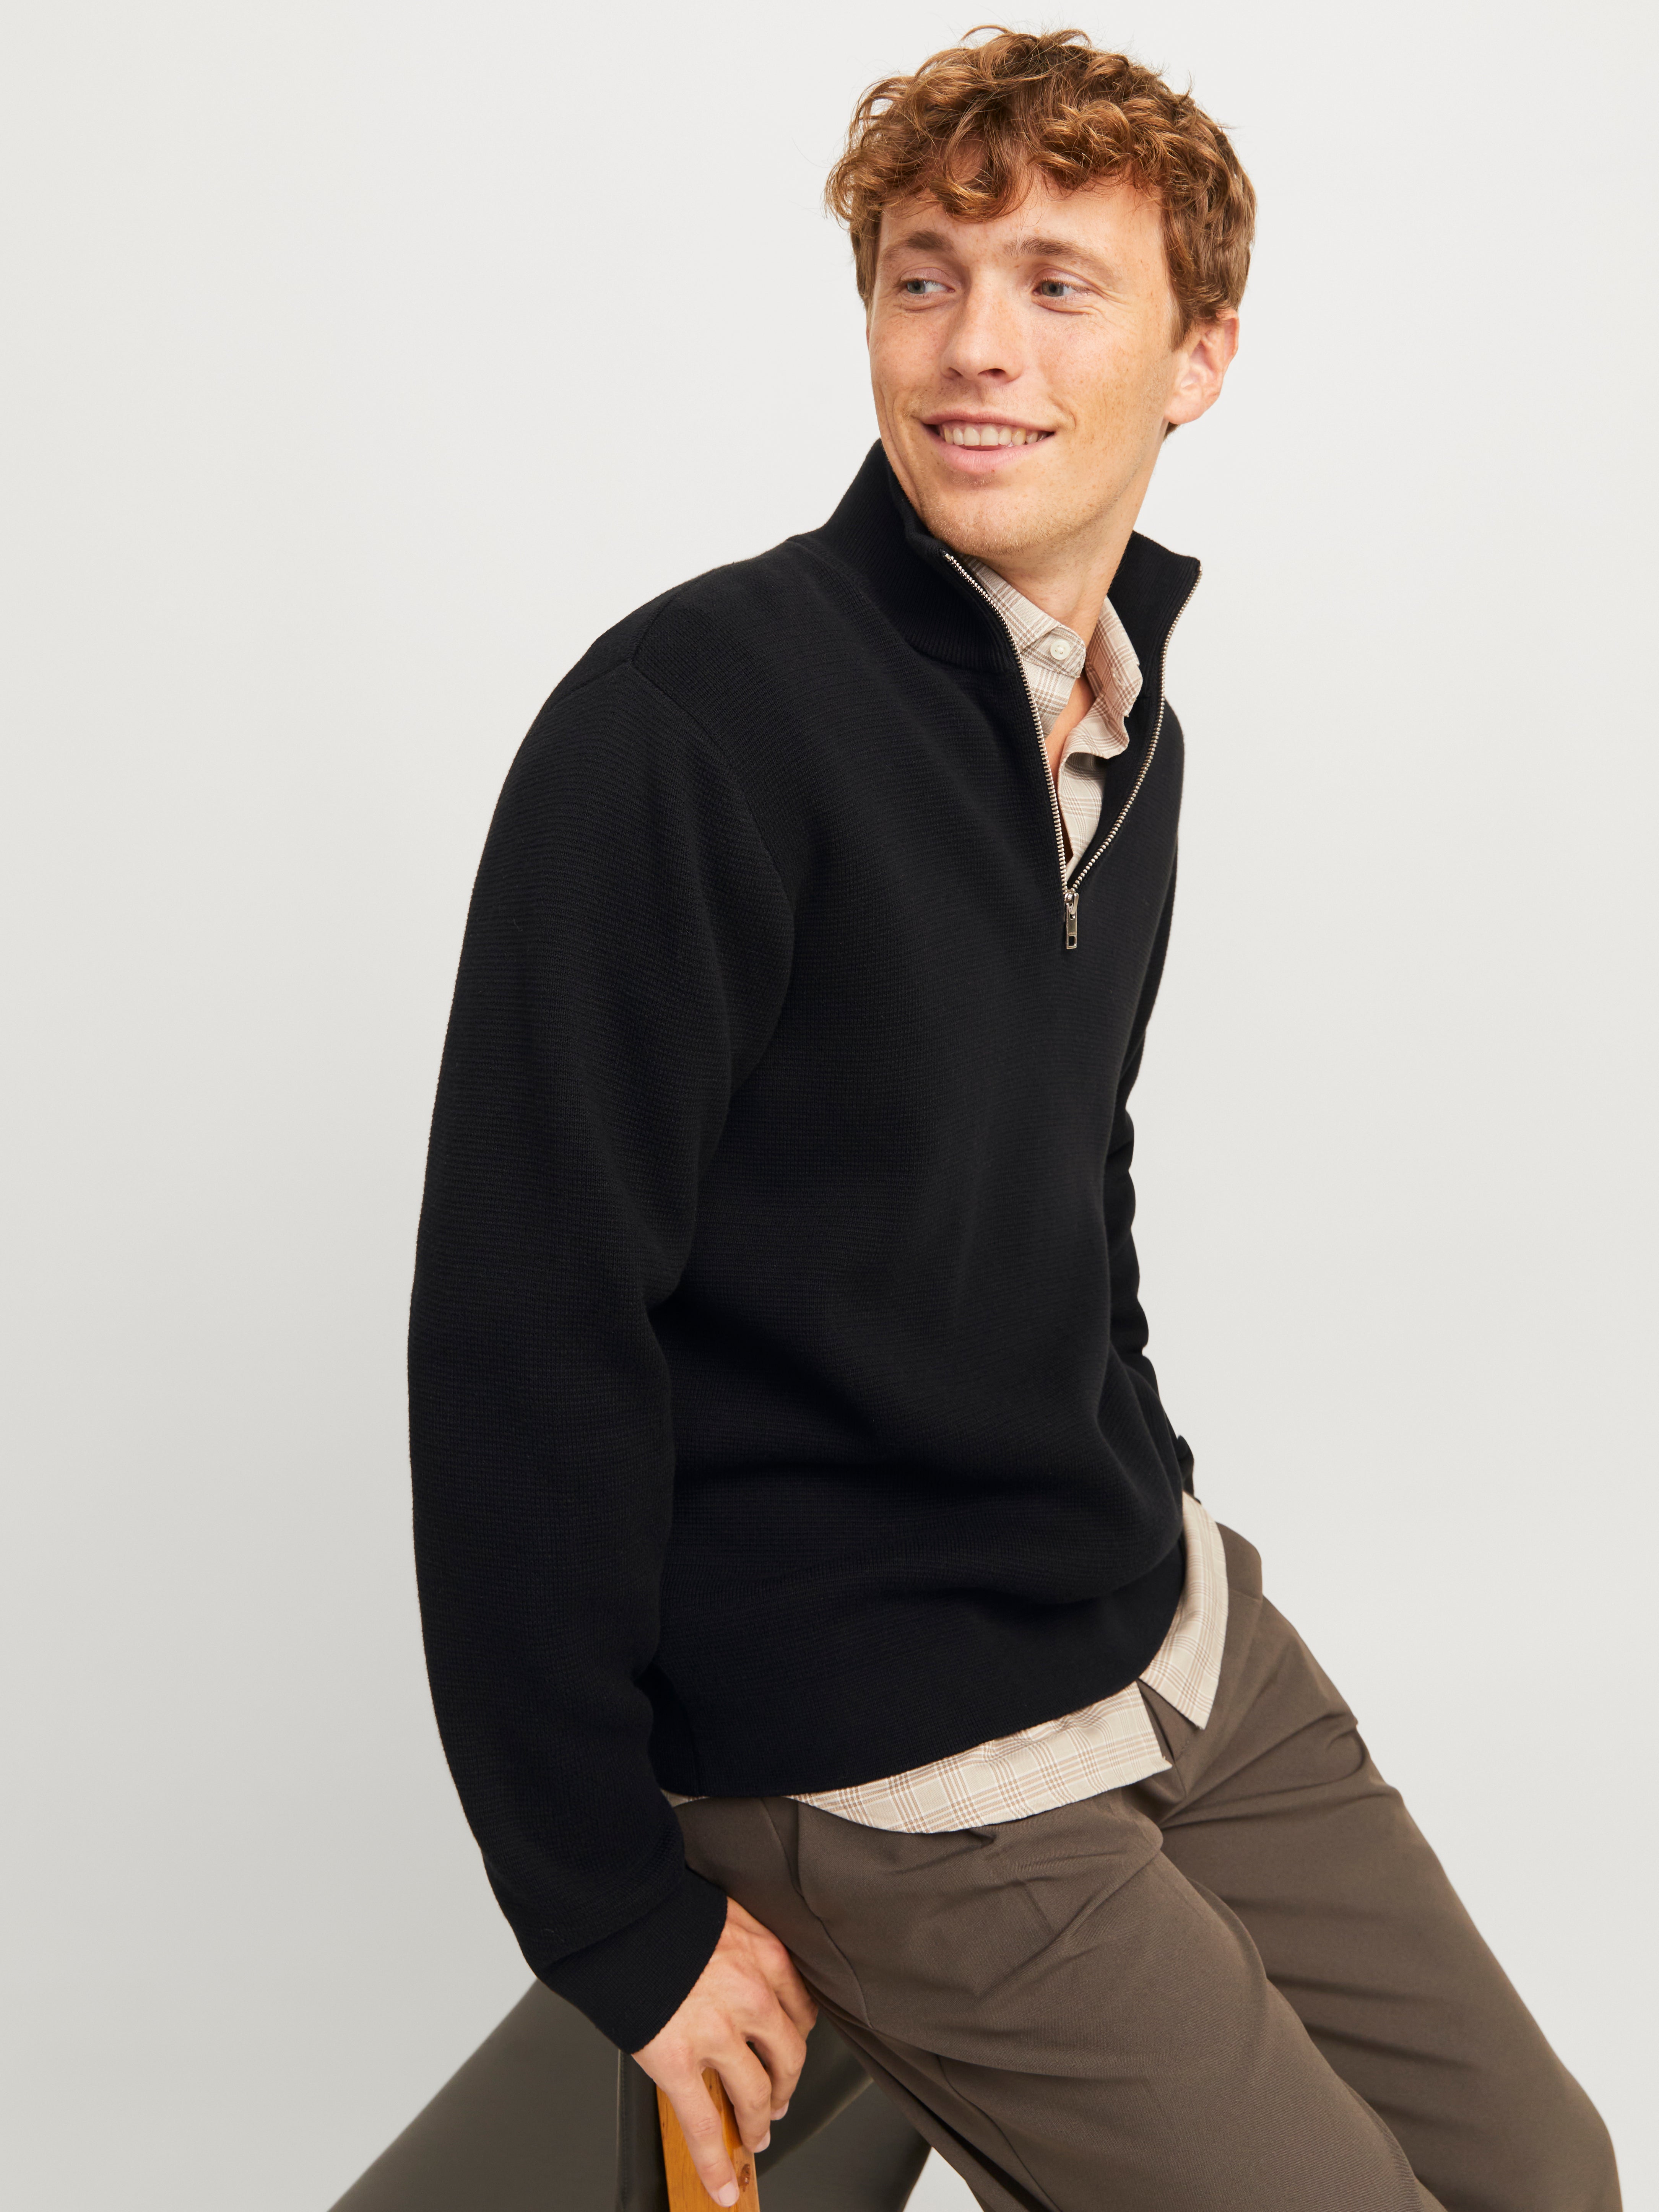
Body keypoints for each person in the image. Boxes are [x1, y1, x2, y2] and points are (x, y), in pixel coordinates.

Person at [407, 28, 1620, 2211]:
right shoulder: (687, 726)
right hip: (885, 1750)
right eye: (924, 277)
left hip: (1151, 1628)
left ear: (1200, 354)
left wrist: (1135, 1471)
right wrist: (609, 1912)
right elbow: (520, 1339)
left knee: (1547, 2180)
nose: (976, 347)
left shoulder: (1123, 720)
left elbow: (1070, 1173)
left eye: (1060, 285)